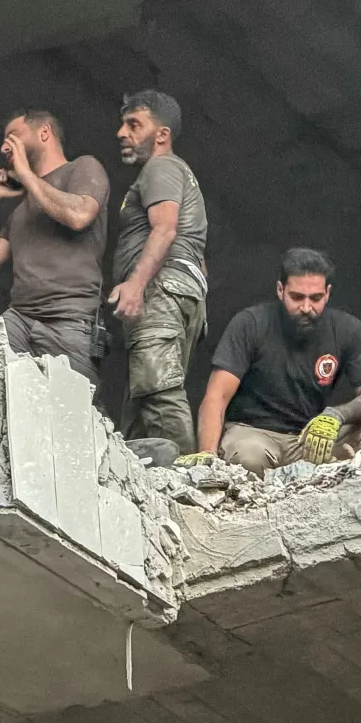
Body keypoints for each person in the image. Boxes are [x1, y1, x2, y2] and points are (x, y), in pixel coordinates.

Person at [185, 248, 361, 473]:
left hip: (314, 438)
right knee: (248, 456)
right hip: (255, 434)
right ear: (280, 290)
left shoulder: (348, 329)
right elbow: (217, 397)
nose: (306, 308)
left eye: (316, 298)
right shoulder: (250, 324)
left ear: (328, 293)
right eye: (297, 297)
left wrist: (337, 415)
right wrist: (207, 455)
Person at [107, 89, 209, 461]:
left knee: (157, 389)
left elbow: (164, 229)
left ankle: (184, 477)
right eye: (123, 124)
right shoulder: (180, 174)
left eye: (134, 124)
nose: (122, 133)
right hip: (179, 289)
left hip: (160, 289)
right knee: (142, 400)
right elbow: (197, 254)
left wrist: (136, 285)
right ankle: (139, 477)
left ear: (162, 134)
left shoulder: (161, 167)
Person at [0, 108, 110, 379]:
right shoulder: (22, 210)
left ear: (44, 132)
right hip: (19, 319)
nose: (4, 147)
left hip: (69, 321)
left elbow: (79, 215)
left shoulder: (83, 167)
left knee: (67, 403)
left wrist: (25, 173)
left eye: (12, 136)